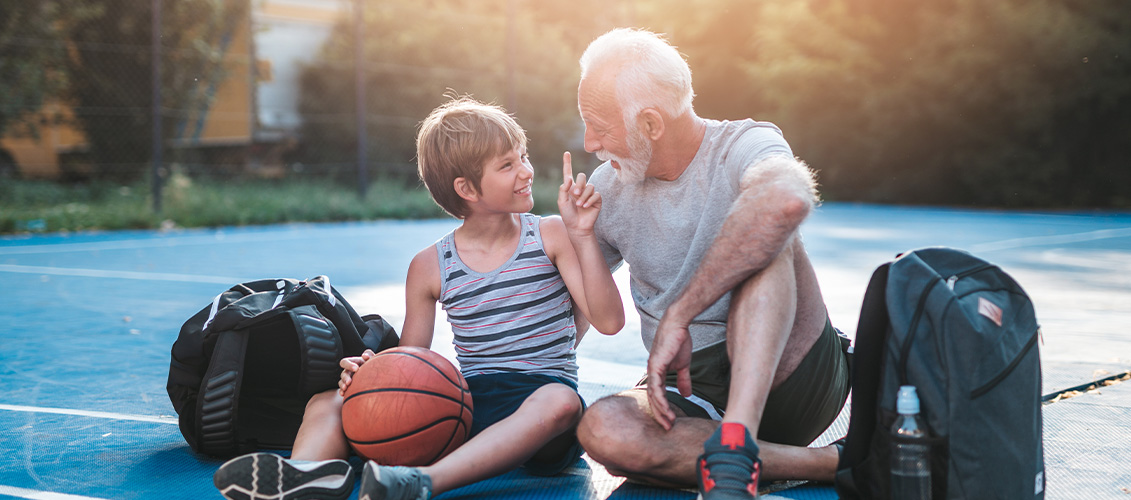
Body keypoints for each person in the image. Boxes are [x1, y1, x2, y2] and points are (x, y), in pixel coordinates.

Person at [212, 96, 625, 500]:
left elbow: (609, 322)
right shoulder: (430, 265)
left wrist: (583, 234)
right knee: (330, 400)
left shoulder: (550, 234)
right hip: (466, 403)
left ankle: (422, 482)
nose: (526, 171)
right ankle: (308, 473)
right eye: (507, 165)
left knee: (561, 401)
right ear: (467, 188)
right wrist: (371, 374)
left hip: (542, 409)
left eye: (523, 156)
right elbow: (409, 360)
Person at [569, 28, 851, 499]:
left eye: (599, 125)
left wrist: (680, 314)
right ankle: (825, 463)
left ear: (651, 124)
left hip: (793, 370)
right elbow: (575, 302)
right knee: (603, 428)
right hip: (692, 390)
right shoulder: (607, 187)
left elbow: (787, 201)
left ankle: (736, 445)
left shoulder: (745, 143)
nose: (588, 140)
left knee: (768, 229)